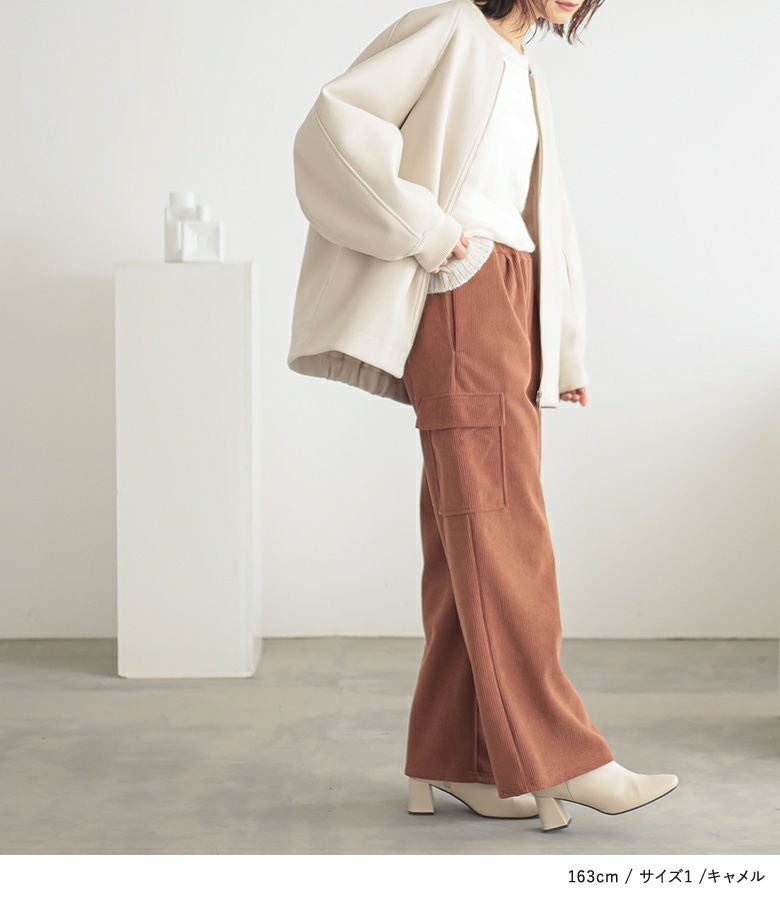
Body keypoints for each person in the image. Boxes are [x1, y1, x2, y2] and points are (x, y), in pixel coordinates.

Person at [289, 0, 679, 833]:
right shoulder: (451, 30)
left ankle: (455, 757)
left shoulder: (520, 63)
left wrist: (560, 347)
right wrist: (429, 234)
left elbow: (540, 220)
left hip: (509, 299)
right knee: (505, 532)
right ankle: (564, 758)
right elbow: (331, 128)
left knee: (465, 533)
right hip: (465, 296)